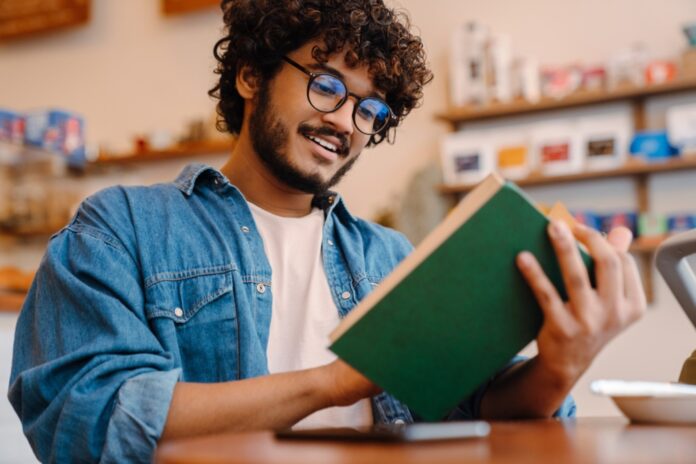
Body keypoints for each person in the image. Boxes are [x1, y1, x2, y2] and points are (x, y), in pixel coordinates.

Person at [8, 0, 647, 462]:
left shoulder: (390, 257)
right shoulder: (121, 226)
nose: (346, 121)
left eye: (369, 109)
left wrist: (562, 365)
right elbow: (90, 418)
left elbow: (479, 414)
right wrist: (337, 382)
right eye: (326, 85)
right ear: (252, 76)